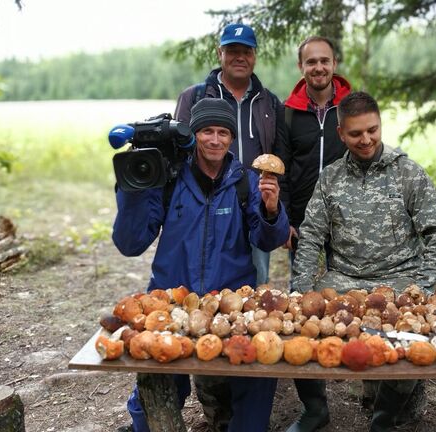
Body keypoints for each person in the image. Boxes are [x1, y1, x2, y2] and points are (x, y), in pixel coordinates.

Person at [112, 98, 290, 432]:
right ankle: (145, 427)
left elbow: (268, 240)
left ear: (232, 139)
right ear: (194, 135)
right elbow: (129, 243)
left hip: (231, 302)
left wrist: (270, 209)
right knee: (158, 373)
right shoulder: (170, 179)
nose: (215, 139)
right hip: (171, 299)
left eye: (223, 132)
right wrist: (133, 190)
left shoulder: (244, 182)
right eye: (207, 131)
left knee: (257, 373)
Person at [291, 91, 436, 431]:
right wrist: (300, 290)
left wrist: (423, 287)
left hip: (398, 279)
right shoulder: (330, 178)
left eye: (373, 130)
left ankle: (384, 417)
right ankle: (314, 410)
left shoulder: (407, 173)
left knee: (412, 341)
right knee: (296, 331)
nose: (366, 139)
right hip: (342, 279)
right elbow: (309, 237)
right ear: (341, 134)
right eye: (355, 133)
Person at [274, 36, 351, 432]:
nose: (318, 68)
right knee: (301, 308)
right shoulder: (290, 114)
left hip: (348, 227)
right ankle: (314, 406)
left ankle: (368, 381)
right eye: (311, 62)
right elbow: (282, 169)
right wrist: (285, 217)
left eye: (325, 61)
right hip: (303, 225)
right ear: (301, 67)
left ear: (335, 63)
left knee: (354, 302)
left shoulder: (351, 108)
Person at [174, 22, 281, 287]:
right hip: (208, 203)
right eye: (232, 50)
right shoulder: (195, 96)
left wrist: (277, 209)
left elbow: (279, 158)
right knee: (200, 276)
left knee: (255, 282)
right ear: (219, 53)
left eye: (246, 50)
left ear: (255, 55)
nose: (240, 57)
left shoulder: (269, 101)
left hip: (255, 203)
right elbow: (178, 153)